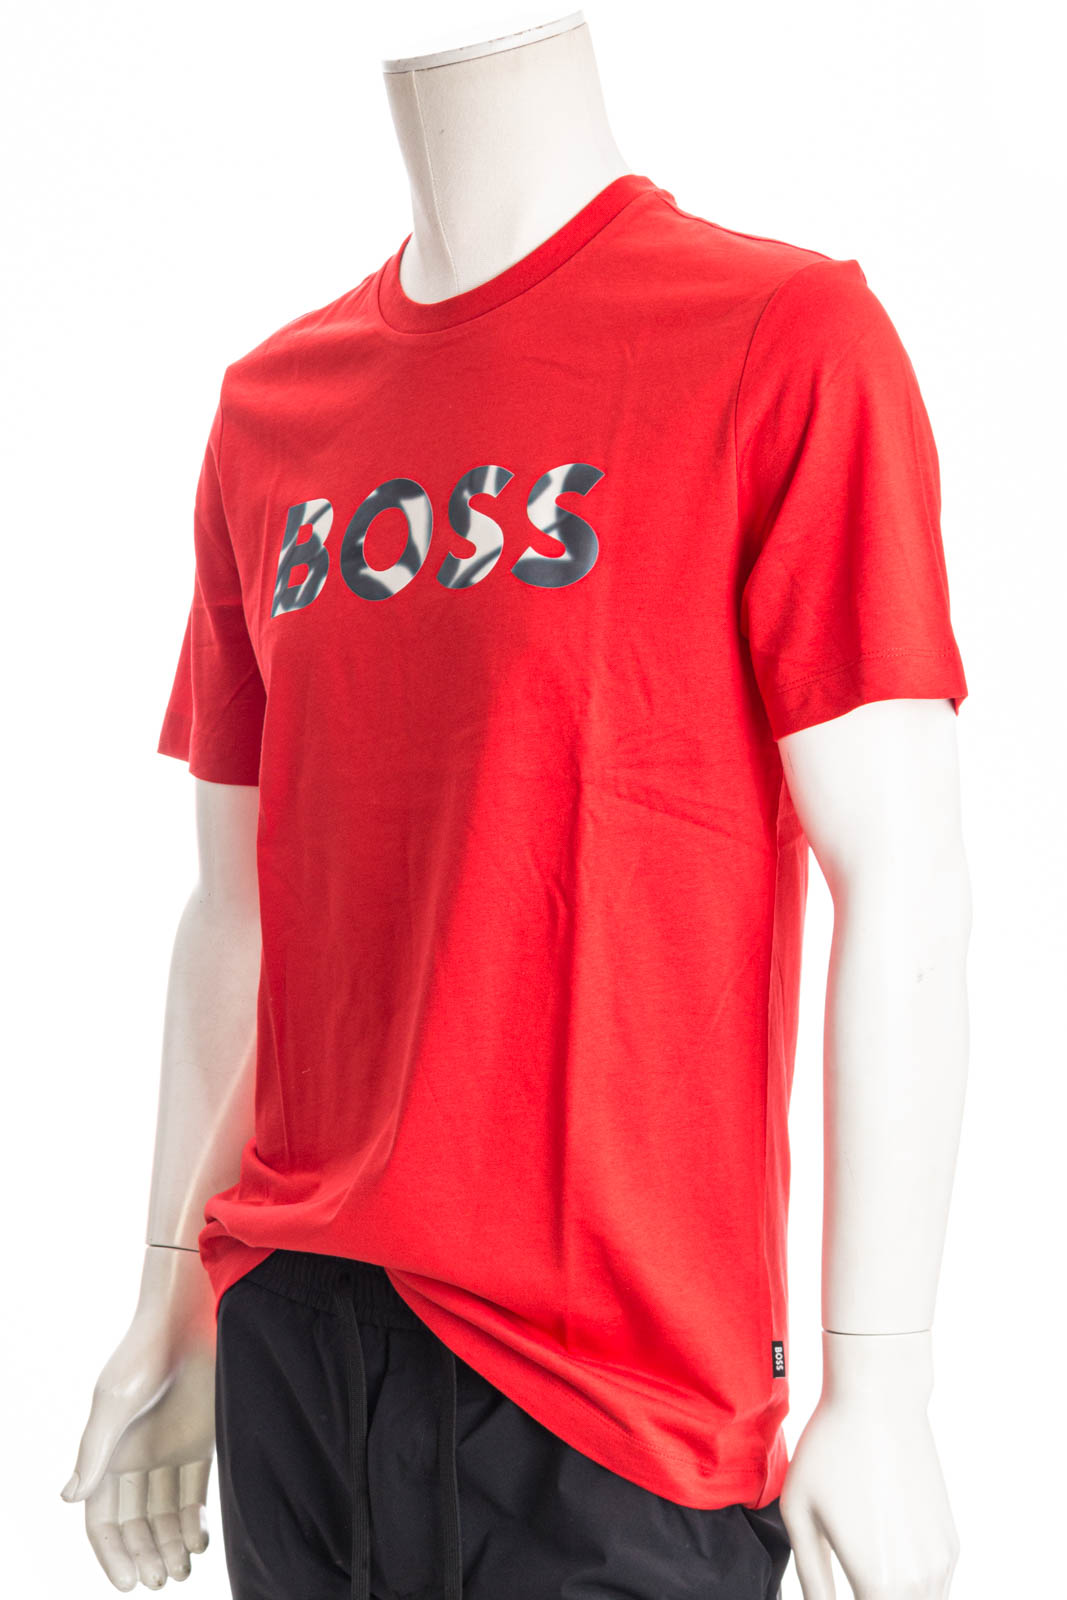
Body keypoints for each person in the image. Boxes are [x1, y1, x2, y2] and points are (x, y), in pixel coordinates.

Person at [59, 13, 970, 1599]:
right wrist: (171, 1296)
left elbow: (902, 874)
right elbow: (241, 911)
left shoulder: (782, 338)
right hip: (295, 1341)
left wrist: (881, 1379)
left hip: (609, 1394)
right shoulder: (272, 409)